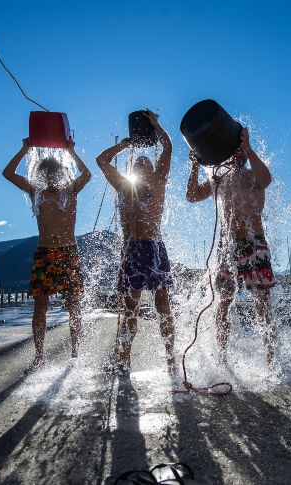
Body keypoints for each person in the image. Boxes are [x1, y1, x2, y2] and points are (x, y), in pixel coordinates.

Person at [186, 127, 278, 368]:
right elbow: (192, 195)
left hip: (253, 242)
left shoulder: (252, 176)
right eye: (232, 153)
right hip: (227, 247)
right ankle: (222, 358)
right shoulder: (220, 180)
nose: (234, 158)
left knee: (261, 301)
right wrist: (195, 165)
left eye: (238, 153)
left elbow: (267, 180)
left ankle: (271, 359)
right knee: (223, 302)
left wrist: (247, 146)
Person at [96, 110, 175, 374]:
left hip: (153, 248)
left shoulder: (158, 181)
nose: (142, 163)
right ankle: (123, 359)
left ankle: (171, 359)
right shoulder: (123, 186)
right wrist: (124, 145)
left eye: (146, 161)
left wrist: (155, 125)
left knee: (162, 305)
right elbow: (102, 160)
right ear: (133, 169)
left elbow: (168, 148)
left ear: (153, 168)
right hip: (131, 251)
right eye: (138, 162)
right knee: (130, 309)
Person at [2, 138, 91, 373]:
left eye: (55, 173)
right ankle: (39, 357)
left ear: (61, 174)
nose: (51, 178)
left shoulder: (70, 190)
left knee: (74, 305)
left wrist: (71, 151)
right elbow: (8, 173)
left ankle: (75, 353)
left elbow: (87, 174)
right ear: (42, 175)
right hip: (45, 254)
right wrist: (24, 148)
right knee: (40, 305)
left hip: (68, 252)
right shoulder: (36, 192)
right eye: (47, 174)